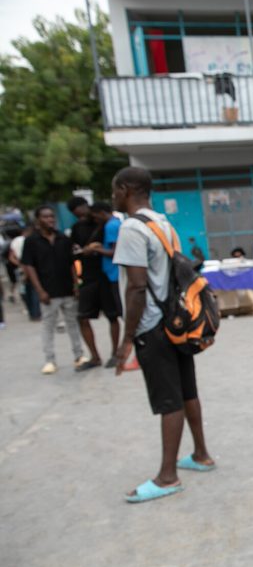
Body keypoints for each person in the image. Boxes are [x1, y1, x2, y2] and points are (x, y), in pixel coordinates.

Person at [112, 167, 215, 503]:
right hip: (175, 322)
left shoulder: (131, 227)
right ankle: (201, 454)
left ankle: (167, 477)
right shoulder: (162, 223)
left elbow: (136, 287)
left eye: (114, 190)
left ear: (126, 188)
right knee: (187, 391)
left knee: (169, 401)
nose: (113, 197)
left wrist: (127, 339)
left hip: (152, 327)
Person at [20, 207, 86, 374]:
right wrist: (39, 290)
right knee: (48, 326)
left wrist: (76, 285)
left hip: (67, 289)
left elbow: (71, 263)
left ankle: (79, 355)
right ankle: (50, 360)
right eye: (45, 217)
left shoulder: (63, 238)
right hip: (48, 291)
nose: (50, 219)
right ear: (38, 220)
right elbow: (29, 267)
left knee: (73, 323)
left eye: (51, 216)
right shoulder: (31, 241)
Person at [80, 202, 123, 368]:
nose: (95, 220)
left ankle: (122, 352)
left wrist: (95, 250)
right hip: (111, 276)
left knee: (120, 314)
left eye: (96, 216)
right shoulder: (115, 223)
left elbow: (115, 251)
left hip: (114, 275)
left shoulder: (111, 226)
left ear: (101, 213)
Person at [68, 196, 107, 370]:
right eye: (77, 214)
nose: (82, 215)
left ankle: (117, 353)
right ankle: (95, 357)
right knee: (82, 317)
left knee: (115, 316)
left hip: (107, 276)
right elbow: (73, 254)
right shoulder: (77, 228)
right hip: (88, 277)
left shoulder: (104, 224)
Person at [8, 225, 42, 321]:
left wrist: (20, 264)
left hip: (21, 269)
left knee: (25, 291)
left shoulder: (15, 241)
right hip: (32, 268)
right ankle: (36, 313)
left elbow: (11, 257)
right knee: (34, 290)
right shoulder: (32, 241)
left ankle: (32, 312)